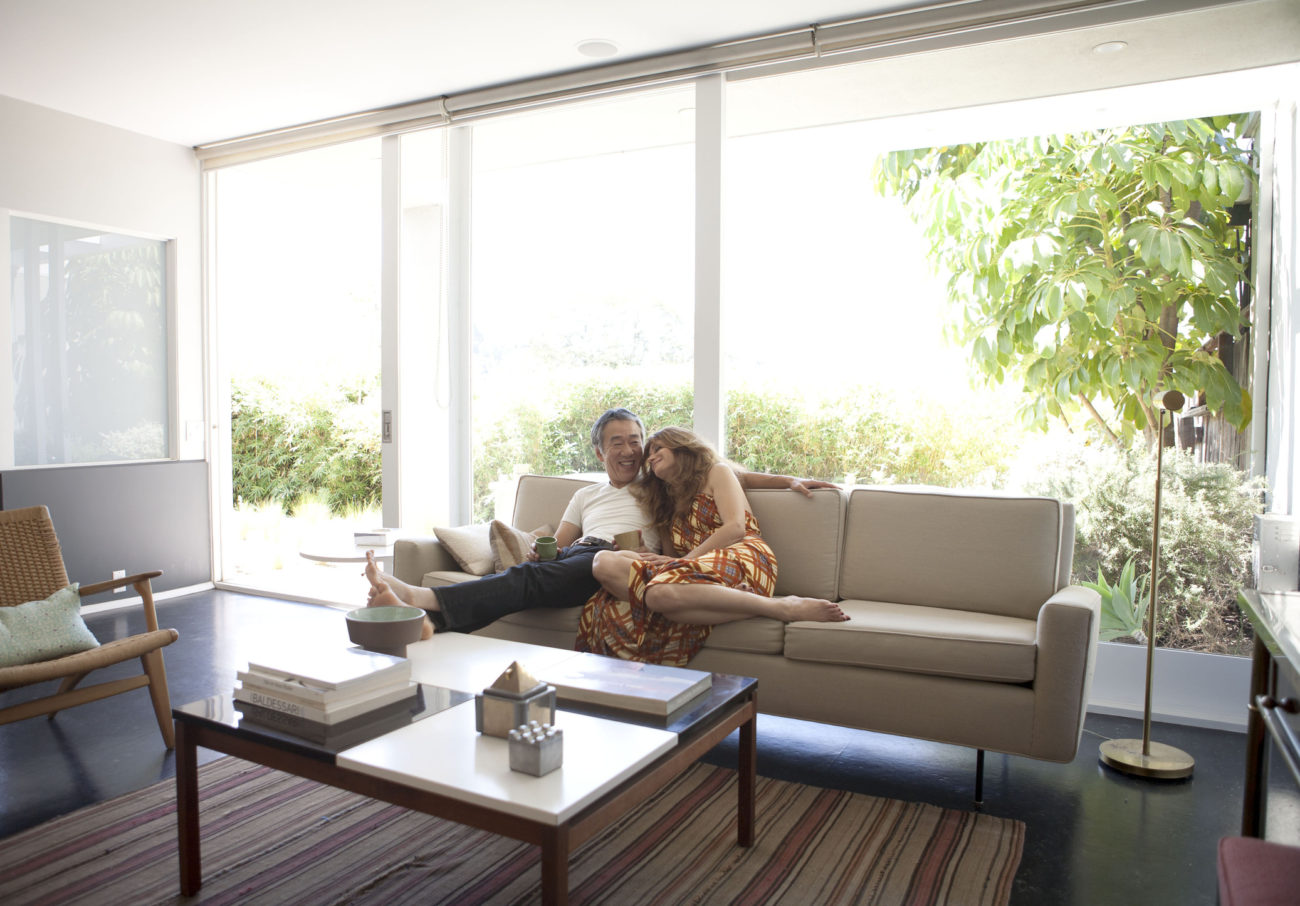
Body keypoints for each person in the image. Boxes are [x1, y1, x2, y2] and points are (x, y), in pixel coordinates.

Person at [364, 407, 836, 639]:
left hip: (625, 556)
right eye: (618, 442)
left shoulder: (659, 482)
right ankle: (430, 621)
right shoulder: (583, 494)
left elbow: (726, 471)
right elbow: (556, 543)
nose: (632, 450)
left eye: (638, 440)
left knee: (549, 573)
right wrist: (538, 542)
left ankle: (426, 603)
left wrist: (788, 478)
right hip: (584, 554)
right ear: (599, 451)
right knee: (539, 572)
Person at [578, 427, 847, 666]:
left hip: (742, 553)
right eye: (649, 454)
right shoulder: (664, 503)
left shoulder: (716, 473)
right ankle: (731, 599)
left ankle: (780, 607)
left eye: (658, 448)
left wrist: (788, 480)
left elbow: (734, 528)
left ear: (682, 446)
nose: (650, 457)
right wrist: (650, 558)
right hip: (694, 569)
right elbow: (672, 558)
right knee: (605, 561)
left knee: (657, 594)